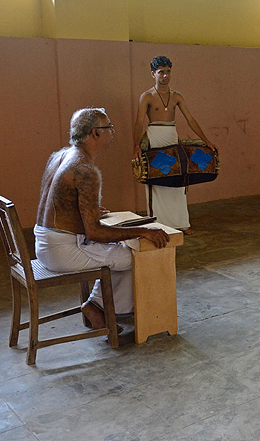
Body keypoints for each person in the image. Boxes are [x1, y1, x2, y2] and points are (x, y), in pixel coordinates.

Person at [35, 108, 170, 329]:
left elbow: (60, 205)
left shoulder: (60, 156)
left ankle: (98, 306)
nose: (113, 132)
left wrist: (90, 211)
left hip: (44, 243)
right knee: (136, 256)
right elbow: (95, 233)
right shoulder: (85, 170)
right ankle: (97, 307)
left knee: (119, 248)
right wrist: (143, 231)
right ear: (96, 133)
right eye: (110, 127)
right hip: (61, 252)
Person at [133, 56, 217, 235]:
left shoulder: (177, 96)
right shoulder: (146, 96)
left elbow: (191, 119)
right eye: (161, 72)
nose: (165, 75)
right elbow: (139, 122)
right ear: (153, 74)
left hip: (172, 136)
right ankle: (159, 225)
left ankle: (181, 224)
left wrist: (206, 140)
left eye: (168, 71)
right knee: (157, 180)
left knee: (179, 180)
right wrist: (136, 145)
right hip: (154, 137)